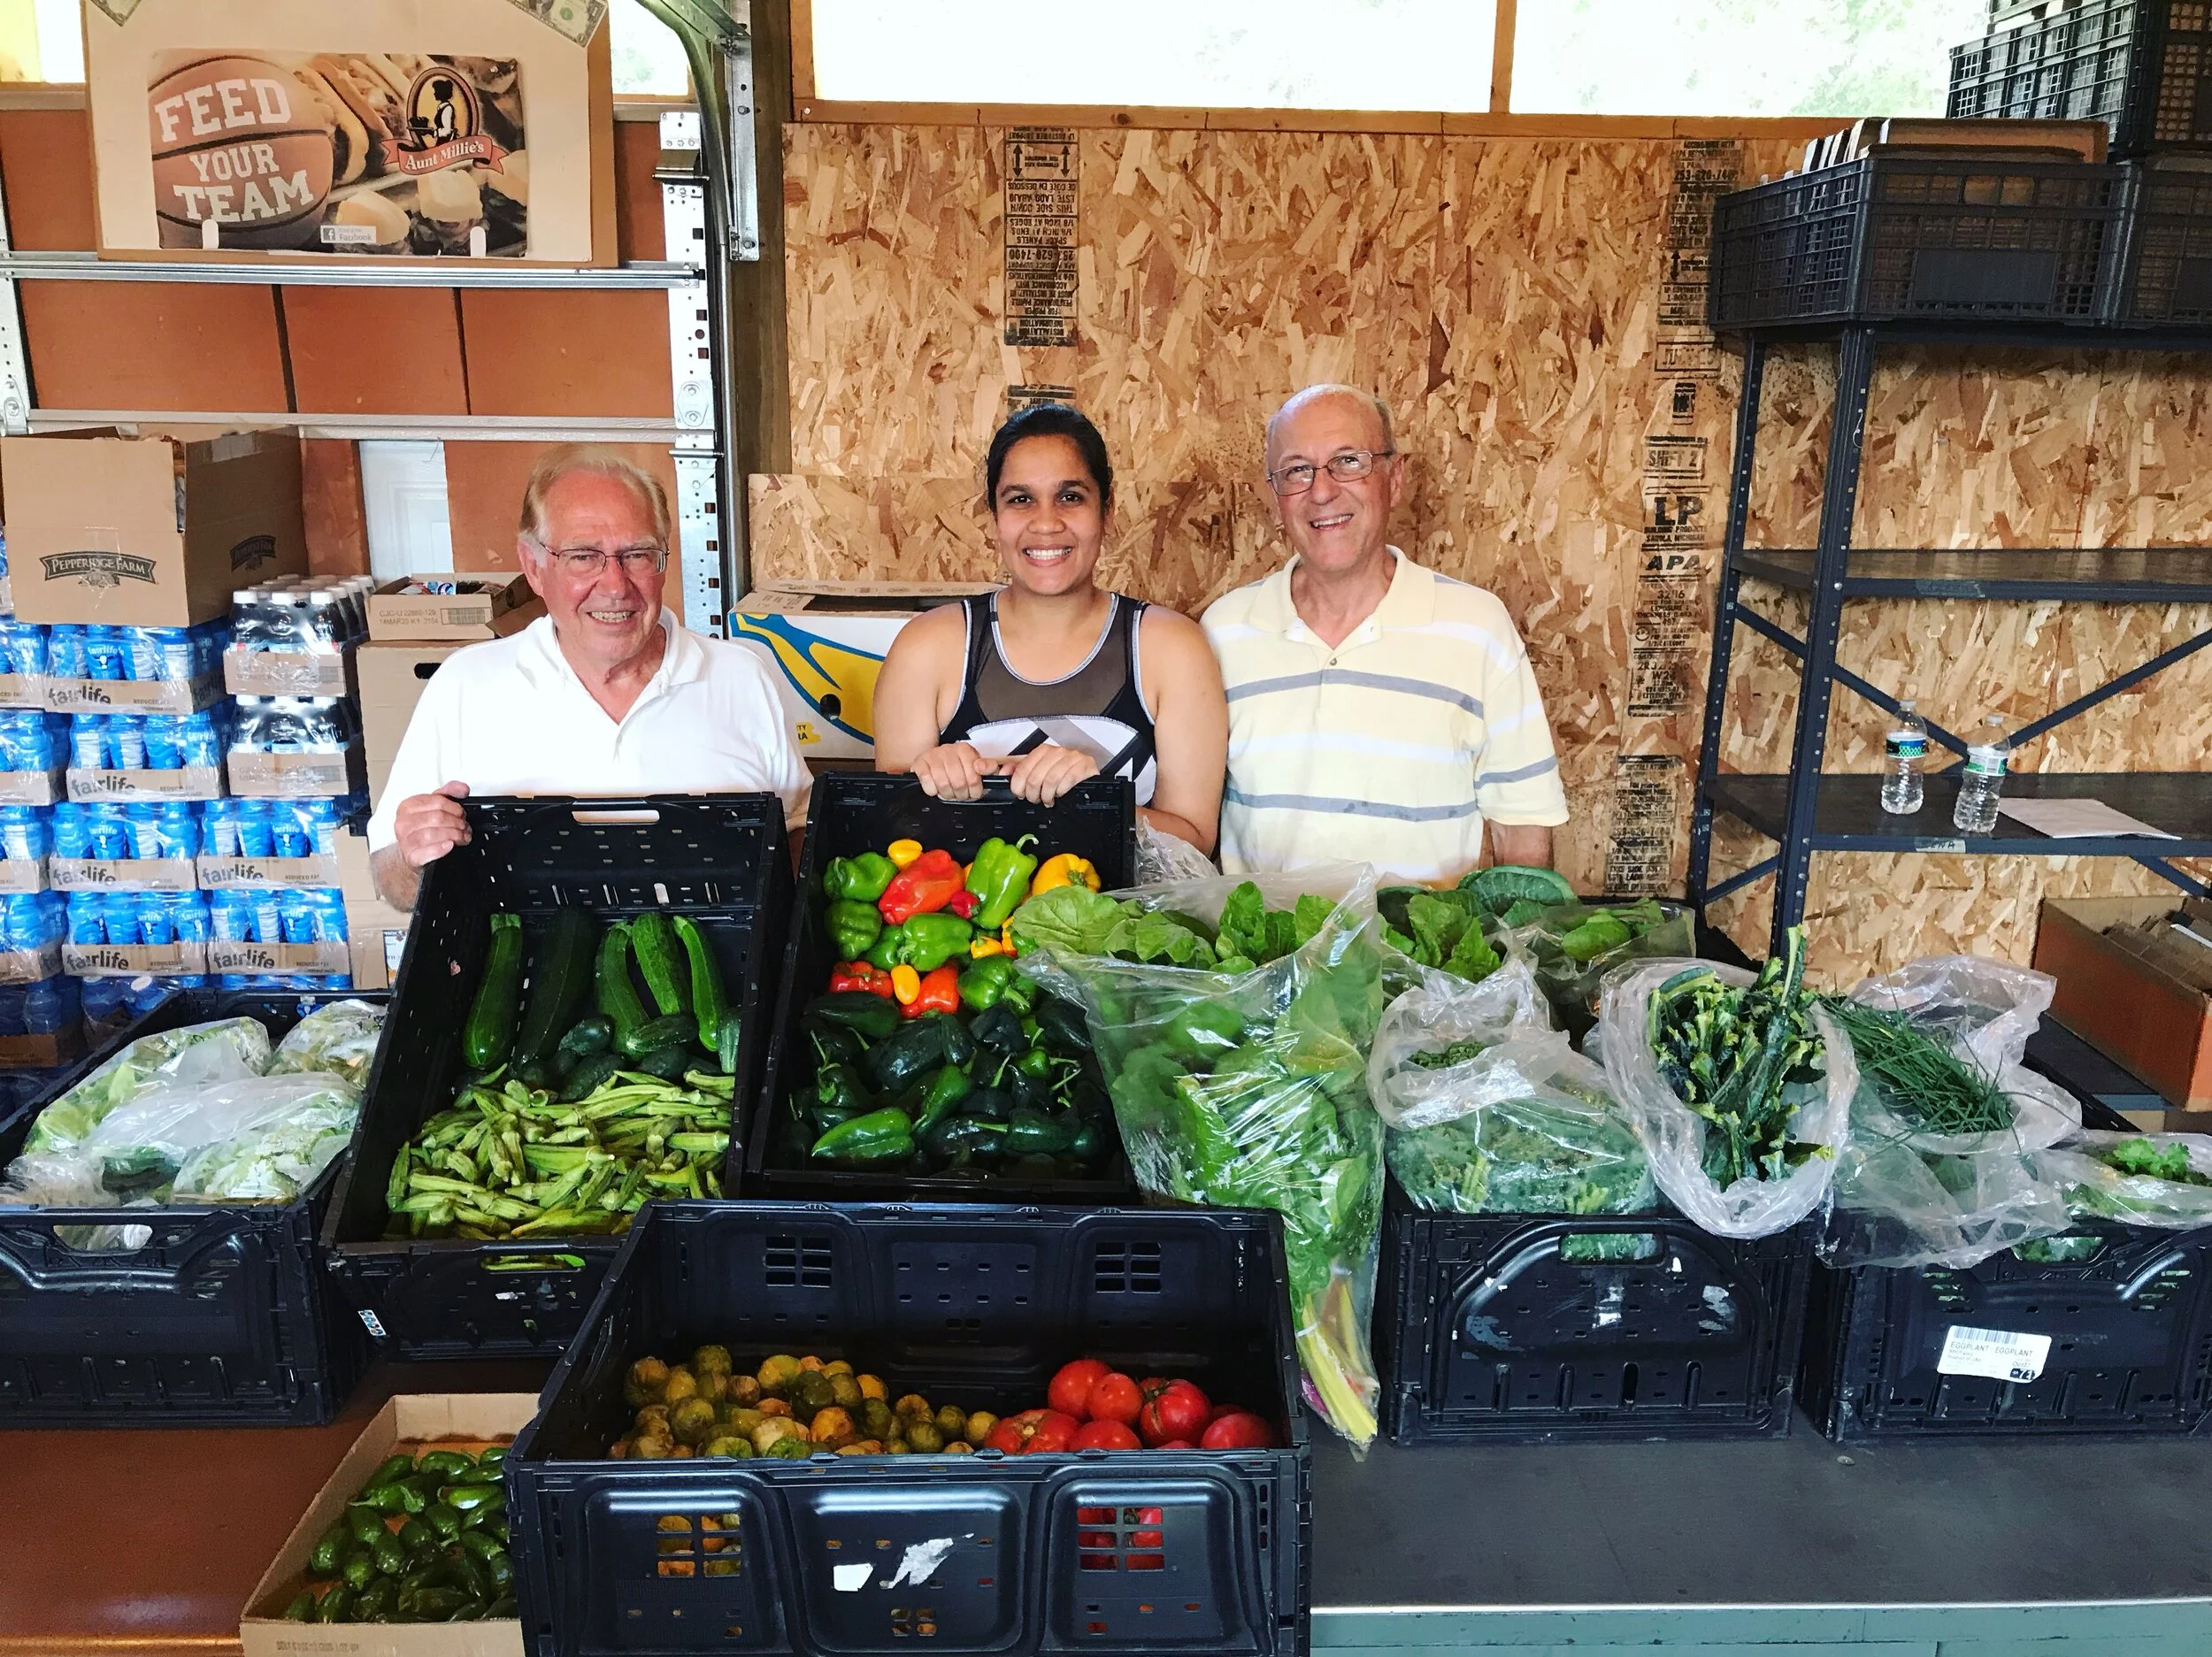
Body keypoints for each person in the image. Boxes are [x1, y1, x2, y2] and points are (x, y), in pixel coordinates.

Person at [368, 445, 810, 911]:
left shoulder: (743, 677)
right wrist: (414, 860)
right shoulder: (464, 685)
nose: (616, 585)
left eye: (637, 554)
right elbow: (390, 878)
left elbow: (797, 829)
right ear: (534, 567)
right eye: (583, 556)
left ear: (663, 560)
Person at [1201, 385, 1568, 884]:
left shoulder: (1477, 628)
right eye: (1297, 471)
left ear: (1394, 480)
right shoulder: (1223, 632)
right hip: (1267, 938)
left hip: (1422, 938)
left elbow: (1521, 828)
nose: (1322, 491)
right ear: (1275, 497)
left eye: (1348, 462)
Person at [872, 403, 1228, 854]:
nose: (1045, 523)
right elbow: (891, 837)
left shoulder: (1172, 648)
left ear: (1107, 511)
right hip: (966, 903)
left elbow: (1196, 842)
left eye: (1070, 497)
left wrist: (1093, 802)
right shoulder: (926, 648)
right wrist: (926, 789)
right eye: (1020, 499)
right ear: (994, 517)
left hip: (1132, 905)